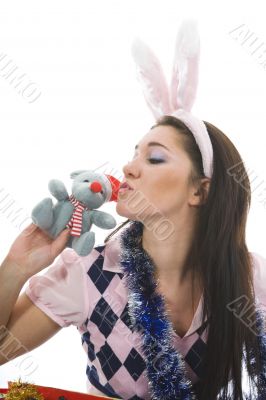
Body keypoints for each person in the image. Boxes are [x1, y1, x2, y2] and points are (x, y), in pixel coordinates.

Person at [1, 115, 266, 400]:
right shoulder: (87, 271)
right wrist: (15, 269)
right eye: (134, 154)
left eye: (154, 158)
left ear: (200, 190)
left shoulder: (250, 276)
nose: (128, 168)